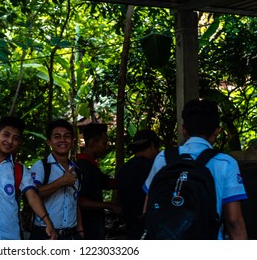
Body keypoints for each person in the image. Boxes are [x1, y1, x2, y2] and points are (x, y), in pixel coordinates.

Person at [143, 99, 248, 239]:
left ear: (183, 129)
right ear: (217, 131)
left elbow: (146, 209)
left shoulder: (163, 158)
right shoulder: (226, 163)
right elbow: (234, 221)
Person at [29, 119, 84, 240]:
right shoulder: (41, 166)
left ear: (73, 141)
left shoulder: (76, 170)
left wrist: (80, 231)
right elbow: (32, 196)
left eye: (67, 136)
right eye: (57, 137)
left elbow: (76, 202)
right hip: (45, 234)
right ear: (49, 142)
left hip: (72, 235)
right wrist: (61, 182)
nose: (62, 140)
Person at [75, 123, 121, 240]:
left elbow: (107, 183)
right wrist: (109, 205)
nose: (106, 147)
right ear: (92, 143)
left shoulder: (92, 166)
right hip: (87, 227)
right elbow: (81, 201)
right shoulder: (84, 167)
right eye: (104, 143)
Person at [116, 129, 160, 239]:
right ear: (152, 146)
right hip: (152, 229)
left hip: (130, 229)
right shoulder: (155, 168)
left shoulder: (122, 170)